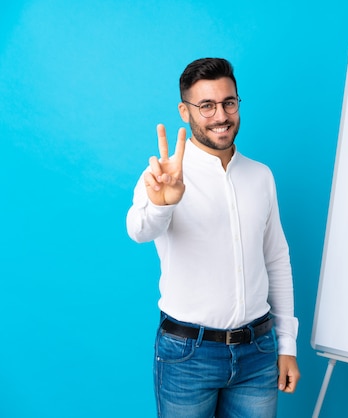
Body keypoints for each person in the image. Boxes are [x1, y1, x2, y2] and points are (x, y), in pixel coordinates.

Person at [126, 57, 300, 418]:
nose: (220, 115)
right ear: (184, 111)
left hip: (259, 352)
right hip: (188, 354)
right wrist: (162, 204)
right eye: (206, 105)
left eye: (228, 103)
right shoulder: (164, 175)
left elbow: (277, 260)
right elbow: (140, 230)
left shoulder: (261, 176)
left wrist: (287, 345)